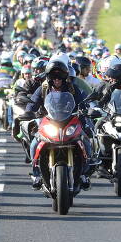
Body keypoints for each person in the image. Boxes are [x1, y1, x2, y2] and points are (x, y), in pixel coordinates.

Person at [26, 59, 87, 189]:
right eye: (54, 77)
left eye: (60, 77)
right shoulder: (43, 88)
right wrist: (29, 112)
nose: (57, 79)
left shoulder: (72, 88)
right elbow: (32, 103)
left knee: (85, 139)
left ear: (65, 77)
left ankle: (84, 173)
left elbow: (82, 103)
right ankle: (36, 173)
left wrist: (85, 112)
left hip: (69, 120)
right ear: (49, 78)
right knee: (35, 143)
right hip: (47, 120)